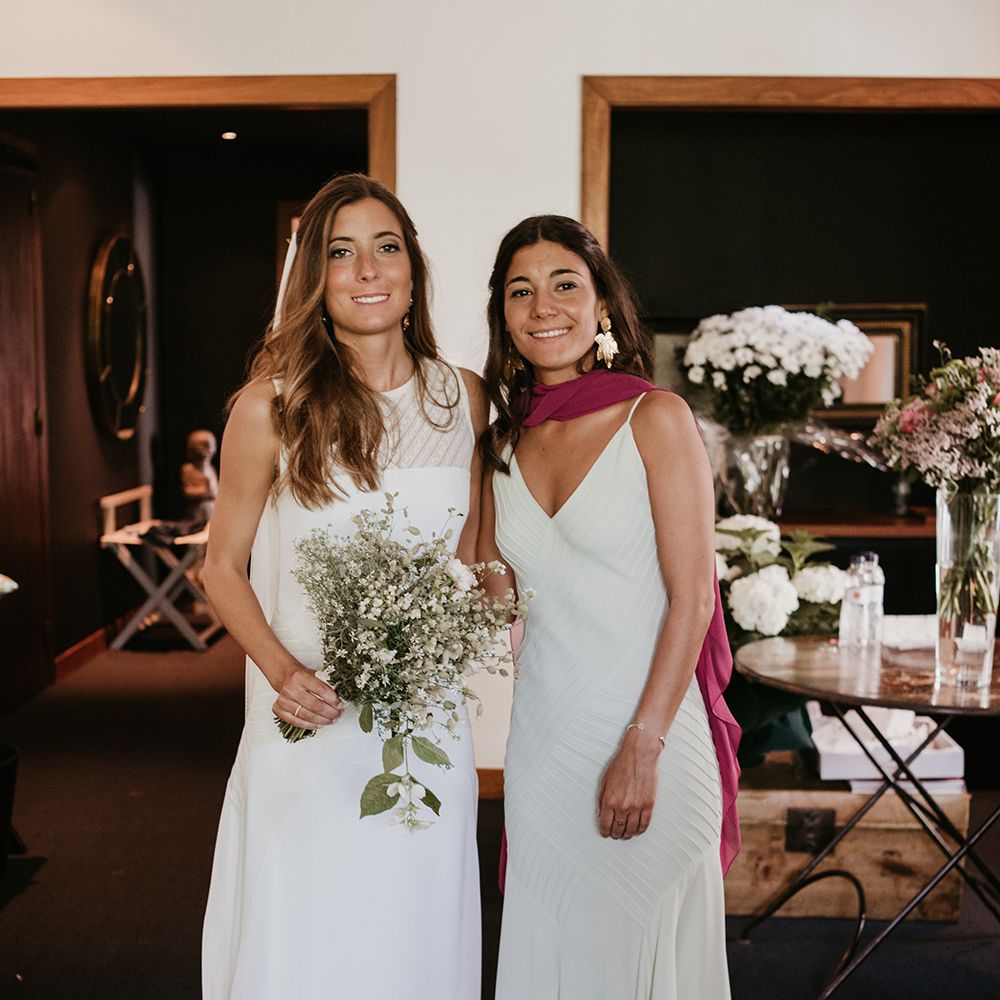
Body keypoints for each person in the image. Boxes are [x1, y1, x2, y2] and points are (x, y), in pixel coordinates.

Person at [201, 173, 486, 1000]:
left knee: (412, 919)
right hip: (307, 714)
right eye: (341, 252)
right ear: (315, 280)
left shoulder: (463, 397)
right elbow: (219, 567)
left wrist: (480, 614)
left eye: (386, 248)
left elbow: (475, 551)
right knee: (311, 925)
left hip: (426, 719)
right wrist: (283, 673)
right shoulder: (271, 407)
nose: (367, 269)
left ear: (413, 273)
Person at [478, 216, 741, 999]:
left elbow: (693, 598)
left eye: (564, 284)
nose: (542, 306)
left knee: (643, 949)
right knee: (554, 942)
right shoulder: (499, 445)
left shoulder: (654, 418)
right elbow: (499, 596)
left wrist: (642, 744)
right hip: (544, 743)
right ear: (503, 316)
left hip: (651, 733)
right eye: (520, 291)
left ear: (602, 306)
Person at [180, 428, 218, 524]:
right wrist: (205, 491)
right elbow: (187, 491)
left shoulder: (211, 468)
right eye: (203, 445)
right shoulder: (188, 469)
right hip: (197, 509)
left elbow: (215, 490)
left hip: (212, 508)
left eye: (210, 445)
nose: (208, 449)